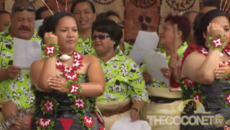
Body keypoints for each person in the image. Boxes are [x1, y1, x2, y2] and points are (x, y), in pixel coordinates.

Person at [30, 12, 105, 129]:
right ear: (52, 34)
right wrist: (51, 48)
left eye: (74, 30)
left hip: (84, 125)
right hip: (49, 125)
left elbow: (99, 88)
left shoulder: (90, 60)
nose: (71, 35)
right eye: (64, 30)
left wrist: (69, 87)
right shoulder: (38, 64)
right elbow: (46, 85)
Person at [92, 19, 148, 130]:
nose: (97, 40)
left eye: (102, 37)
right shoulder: (85, 62)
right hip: (91, 118)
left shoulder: (129, 65)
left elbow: (140, 93)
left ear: (114, 40)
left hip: (121, 121)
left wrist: (136, 109)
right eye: (94, 37)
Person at [179, 9, 230, 130]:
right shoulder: (193, 57)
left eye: (226, 29)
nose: (222, 33)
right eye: (216, 30)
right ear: (205, 33)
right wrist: (216, 43)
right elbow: (207, 76)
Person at [0, 0, 41, 129]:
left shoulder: (44, 43)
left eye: (29, 20)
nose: (25, 24)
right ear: (11, 18)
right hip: (3, 105)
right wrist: (4, 73)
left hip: (36, 107)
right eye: (20, 19)